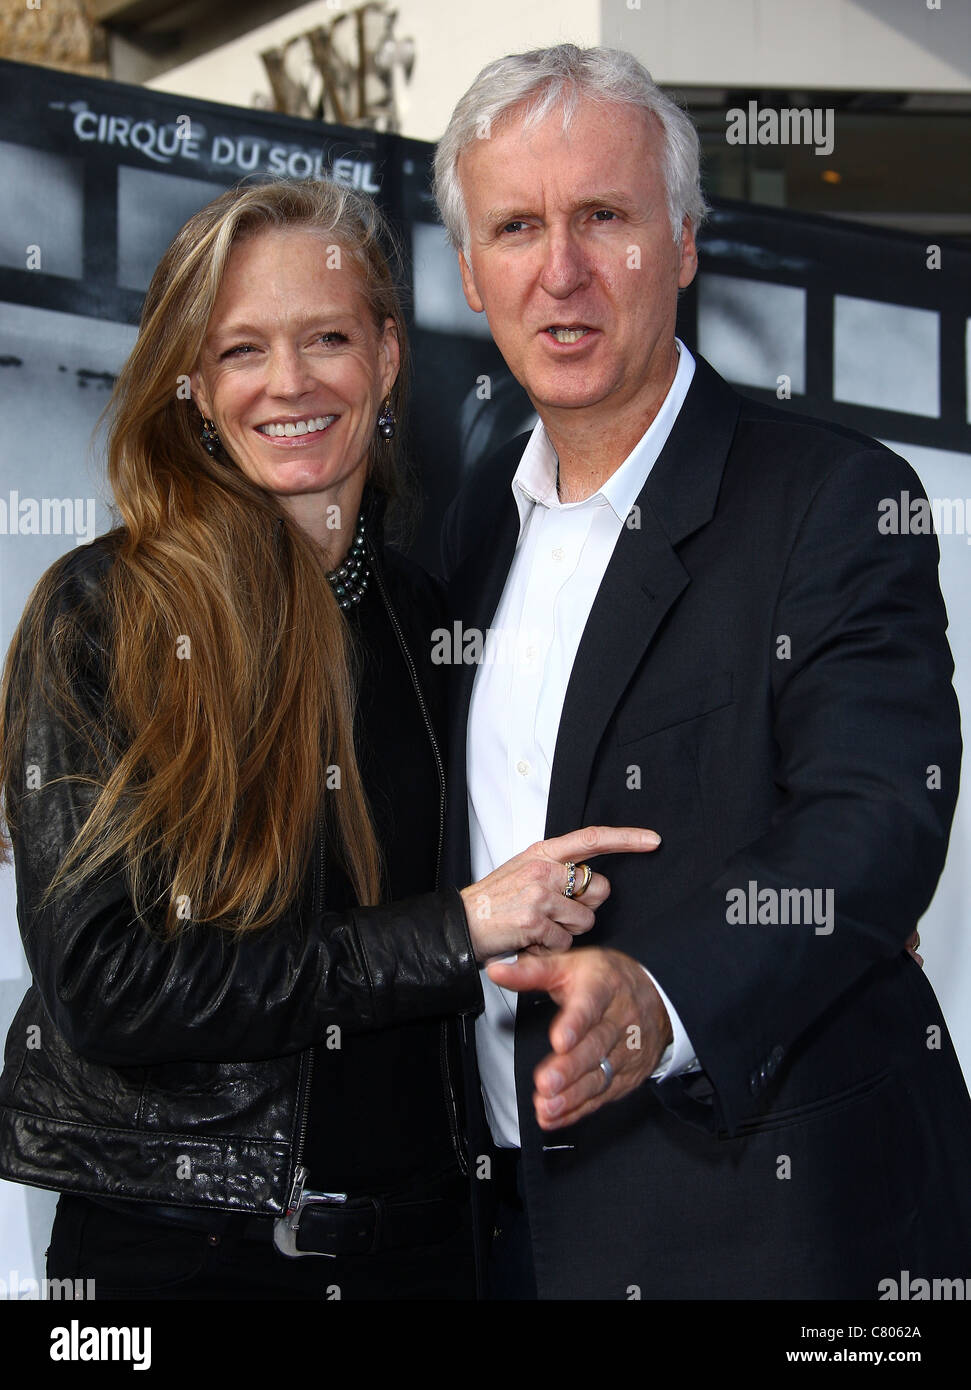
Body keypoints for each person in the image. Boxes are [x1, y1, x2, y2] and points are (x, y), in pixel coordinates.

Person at [0, 177, 658, 1300]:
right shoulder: (102, 612)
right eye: (242, 349)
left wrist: (800, 919)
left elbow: (577, 839)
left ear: (387, 359)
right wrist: (447, 930)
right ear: (194, 387)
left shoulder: (438, 623)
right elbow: (103, 983)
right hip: (177, 1257)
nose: (290, 382)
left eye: (326, 339)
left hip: (433, 1252)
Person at [434, 44, 971, 1299]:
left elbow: (875, 818)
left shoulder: (832, 498)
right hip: (507, 1237)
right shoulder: (458, 529)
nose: (558, 270)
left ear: (682, 240)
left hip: (773, 1231)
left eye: (602, 217)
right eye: (515, 226)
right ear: (470, 272)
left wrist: (664, 998)